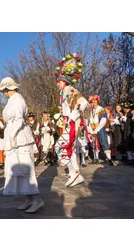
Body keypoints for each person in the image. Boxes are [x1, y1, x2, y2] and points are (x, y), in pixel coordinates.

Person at [0, 77, 45, 214]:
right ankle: (29, 198)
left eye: (3, 91)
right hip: (13, 137)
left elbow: (18, 120)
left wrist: (12, 137)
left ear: (7, 89)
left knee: (25, 169)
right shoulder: (12, 101)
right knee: (18, 169)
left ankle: (37, 199)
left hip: (19, 138)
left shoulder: (18, 99)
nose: (3, 93)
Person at [54, 53, 89, 187]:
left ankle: (75, 174)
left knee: (59, 146)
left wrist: (72, 117)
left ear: (64, 82)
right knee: (71, 149)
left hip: (73, 123)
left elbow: (83, 102)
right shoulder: (64, 93)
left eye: (59, 82)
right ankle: (75, 172)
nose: (57, 84)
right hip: (69, 123)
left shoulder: (69, 89)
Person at [87, 95, 114, 166]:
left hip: (99, 128)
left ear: (97, 102)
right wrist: (90, 129)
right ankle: (96, 158)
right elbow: (88, 121)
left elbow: (103, 120)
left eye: (95, 102)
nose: (93, 104)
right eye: (92, 102)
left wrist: (97, 129)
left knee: (104, 142)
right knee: (94, 144)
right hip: (92, 128)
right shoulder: (90, 111)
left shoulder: (101, 109)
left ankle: (109, 159)